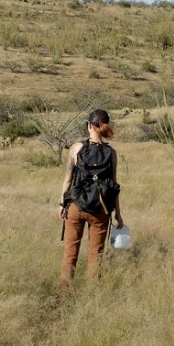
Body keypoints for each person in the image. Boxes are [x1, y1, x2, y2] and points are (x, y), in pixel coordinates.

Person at [59, 109, 124, 288]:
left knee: (70, 253)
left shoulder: (76, 148)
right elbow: (114, 186)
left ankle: (64, 291)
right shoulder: (112, 153)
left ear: (89, 125)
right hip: (100, 211)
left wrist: (61, 204)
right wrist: (117, 214)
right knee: (96, 255)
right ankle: (92, 293)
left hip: (75, 208)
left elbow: (68, 180)